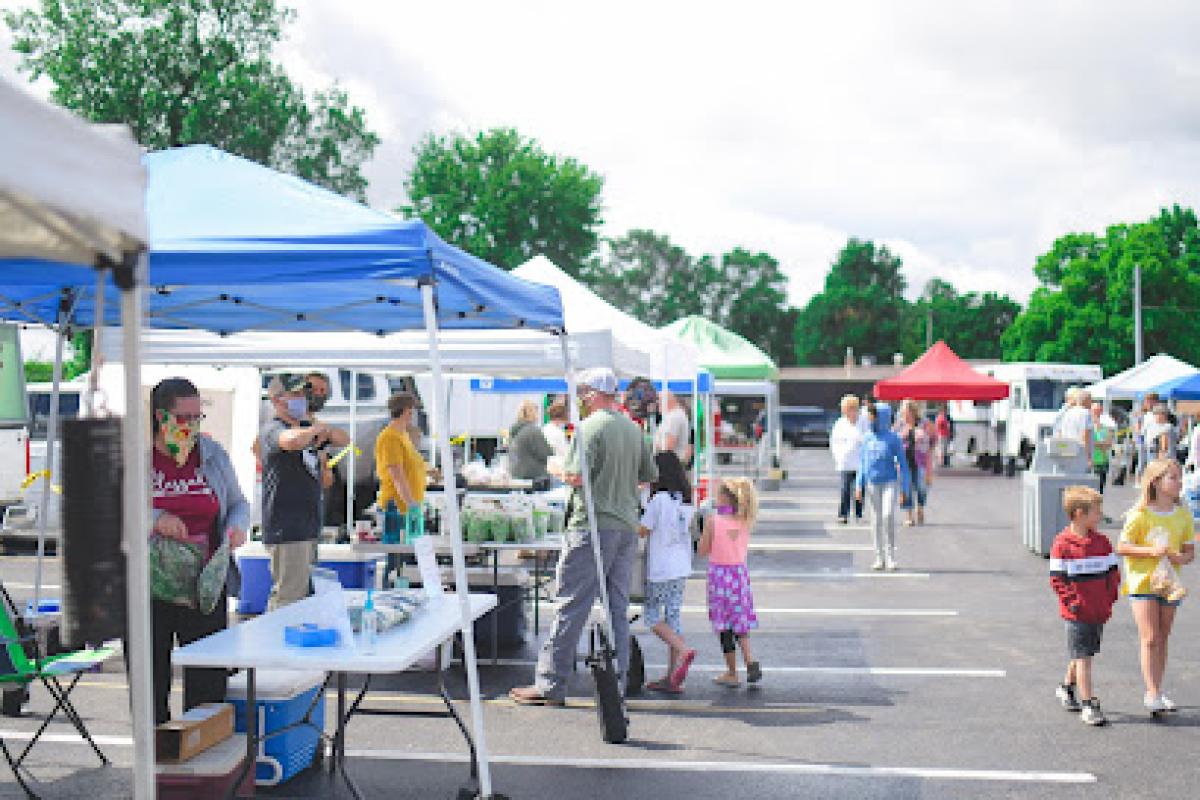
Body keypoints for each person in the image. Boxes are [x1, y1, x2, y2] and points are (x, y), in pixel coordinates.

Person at [510, 367, 658, 706]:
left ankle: (550, 683)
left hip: (591, 526)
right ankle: (617, 684)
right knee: (617, 608)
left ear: (593, 393)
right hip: (625, 525)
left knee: (571, 605)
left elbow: (575, 477)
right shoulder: (634, 431)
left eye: (584, 391)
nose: (581, 397)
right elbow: (648, 475)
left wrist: (556, 468)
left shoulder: (588, 428)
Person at [147, 377, 248, 724]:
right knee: (150, 677)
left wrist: (237, 526)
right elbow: (111, 507)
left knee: (207, 679)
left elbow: (237, 503)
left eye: (196, 417)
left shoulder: (212, 454)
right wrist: (156, 518)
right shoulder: (135, 457)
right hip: (150, 587)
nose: (190, 426)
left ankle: (200, 754)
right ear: (160, 417)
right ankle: (155, 759)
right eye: (182, 418)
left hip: (204, 585)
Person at [260, 374, 348, 611]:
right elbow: (290, 441)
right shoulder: (273, 428)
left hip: (307, 526)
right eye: (296, 394)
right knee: (288, 598)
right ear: (278, 400)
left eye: (303, 394)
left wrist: (320, 430)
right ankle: (275, 646)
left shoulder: (307, 428)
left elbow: (343, 439)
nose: (303, 399)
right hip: (287, 527)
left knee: (305, 598)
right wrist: (312, 431)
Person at [1116, 458, 1195, 714]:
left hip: (1169, 583)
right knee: (1149, 637)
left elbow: (1189, 552)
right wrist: (1152, 552)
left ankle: (1158, 690)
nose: (1179, 482)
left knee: (1162, 637)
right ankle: (1151, 692)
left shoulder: (1183, 514)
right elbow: (1123, 546)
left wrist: (1178, 557)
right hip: (1142, 582)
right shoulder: (1140, 514)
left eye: (1179, 477)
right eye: (1173, 477)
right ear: (1156, 482)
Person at [1049, 486, 1120, 726]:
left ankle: (1066, 687)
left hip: (1098, 611)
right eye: (1096, 511)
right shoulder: (1062, 545)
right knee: (1085, 658)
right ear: (1079, 514)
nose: (1100, 516)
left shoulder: (1102, 543)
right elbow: (1057, 580)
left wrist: (1110, 598)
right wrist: (1073, 603)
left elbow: (1113, 573)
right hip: (1077, 614)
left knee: (1083, 654)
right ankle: (1089, 704)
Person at [638, 451, 696, 692]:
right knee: (673, 619)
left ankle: (684, 651)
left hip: (661, 568)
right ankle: (672, 678)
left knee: (651, 617)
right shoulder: (684, 499)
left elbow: (642, 530)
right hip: (681, 566)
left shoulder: (658, 500)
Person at [698, 477, 761, 687]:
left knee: (724, 625)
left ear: (724, 498)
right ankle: (750, 661)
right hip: (739, 575)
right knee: (739, 621)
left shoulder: (713, 521)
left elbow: (702, 550)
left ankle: (732, 672)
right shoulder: (745, 519)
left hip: (719, 576)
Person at [375, 392, 428, 585]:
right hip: (396, 508)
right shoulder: (390, 438)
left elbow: (409, 465)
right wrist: (411, 504)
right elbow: (396, 474)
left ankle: (399, 593)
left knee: (403, 562)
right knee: (396, 561)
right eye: (412, 410)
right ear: (406, 411)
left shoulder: (403, 435)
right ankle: (390, 594)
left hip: (406, 507)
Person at [855, 404, 910, 571]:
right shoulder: (867, 438)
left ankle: (891, 556)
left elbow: (903, 464)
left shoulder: (893, 438)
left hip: (889, 482)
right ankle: (879, 556)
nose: (870, 419)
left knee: (888, 515)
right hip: (872, 482)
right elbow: (863, 463)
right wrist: (859, 484)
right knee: (876, 519)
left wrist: (904, 489)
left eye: (873, 415)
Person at [896, 399, 934, 527]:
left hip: (921, 462)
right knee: (906, 489)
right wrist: (902, 435)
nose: (904, 415)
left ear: (913, 412)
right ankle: (909, 516)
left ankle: (920, 507)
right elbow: (893, 441)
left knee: (922, 488)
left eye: (906, 412)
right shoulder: (899, 425)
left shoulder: (925, 423)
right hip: (904, 462)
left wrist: (930, 467)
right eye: (903, 413)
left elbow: (932, 442)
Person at [829, 394, 864, 524]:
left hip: (860, 462)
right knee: (845, 489)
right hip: (845, 462)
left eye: (853, 409)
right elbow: (834, 442)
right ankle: (843, 513)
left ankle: (859, 513)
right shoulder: (840, 424)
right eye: (848, 409)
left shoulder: (863, 422)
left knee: (859, 489)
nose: (851, 412)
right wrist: (838, 457)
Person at [509, 399, 554, 480]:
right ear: (533, 413)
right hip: (533, 476)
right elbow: (546, 454)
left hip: (516, 474)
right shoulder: (532, 431)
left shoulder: (516, 431)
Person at [1054, 387, 1093, 459]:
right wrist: (1088, 457)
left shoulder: (1067, 413)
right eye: (1091, 400)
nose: (1091, 403)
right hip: (1080, 454)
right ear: (1086, 401)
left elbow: (1061, 433)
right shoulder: (1086, 413)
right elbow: (1085, 435)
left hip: (1067, 451)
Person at [657, 391, 693, 465]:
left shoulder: (674, 417)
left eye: (659, 401)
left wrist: (652, 444)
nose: (658, 404)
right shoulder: (675, 415)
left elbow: (669, 444)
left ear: (667, 402)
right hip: (674, 463)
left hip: (671, 465)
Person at [1090, 402, 1115, 496]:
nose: (1096, 413)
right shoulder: (1087, 427)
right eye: (1094, 411)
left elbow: (1108, 444)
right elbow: (1086, 442)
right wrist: (1101, 444)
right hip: (1090, 462)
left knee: (1099, 491)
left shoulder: (1105, 428)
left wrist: (1095, 443)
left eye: (1098, 411)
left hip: (1102, 462)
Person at [542, 401, 570, 471]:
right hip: (558, 467)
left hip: (546, 467)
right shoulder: (558, 433)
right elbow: (566, 453)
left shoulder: (543, 429)